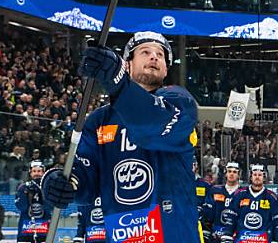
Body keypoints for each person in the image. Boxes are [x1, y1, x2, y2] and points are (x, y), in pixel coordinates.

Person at [40, 32, 201, 243]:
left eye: (160, 55)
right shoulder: (99, 120)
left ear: (166, 68)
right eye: (145, 52)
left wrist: (117, 81)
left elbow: (149, 125)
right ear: (128, 64)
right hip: (124, 236)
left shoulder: (180, 101)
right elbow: (86, 182)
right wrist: (62, 183)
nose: (154, 57)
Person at [224, 164, 278, 243]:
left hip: (263, 240)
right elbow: (231, 217)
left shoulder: (272, 197)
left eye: (260, 175)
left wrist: (277, 239)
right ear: (251, 177)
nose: (257, 177)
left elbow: (277, 219)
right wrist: (227, 234)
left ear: (264, 178)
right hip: (242, 239)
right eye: (255, 175)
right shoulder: (239, 194)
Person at [16, 160, 51, 242]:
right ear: (30, 173)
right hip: (26, 227)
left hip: (44, 227)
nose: (36, 173)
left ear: (43, 172)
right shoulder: (23, 187)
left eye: (39, 171)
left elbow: (50, 208)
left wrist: (43, 192)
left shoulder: (48, 188)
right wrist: (25, 194)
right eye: (34, 171)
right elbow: (22, 207)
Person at [212, 162, 244, 243]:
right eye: (229, 171)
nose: (231, 174)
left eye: (234, 172)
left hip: (236, 234)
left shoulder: (244, 193)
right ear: (225, 174)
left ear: (239, 175)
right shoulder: (215, 190)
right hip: (216, 233)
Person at [195, 161, 215, 242]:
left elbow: (210, 205)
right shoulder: (179, 184)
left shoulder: (205, 185)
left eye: (194, 164)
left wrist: (202, 212)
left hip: (202, 223)